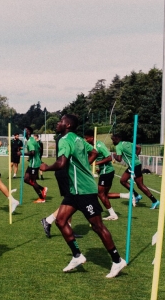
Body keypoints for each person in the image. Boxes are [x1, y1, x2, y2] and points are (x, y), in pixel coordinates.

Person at [39, 114, 127, 278]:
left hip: (84, 190)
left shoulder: (65, 140)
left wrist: (46, 167)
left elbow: (61, 163)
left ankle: (117, 260)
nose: (58, 123)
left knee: (98, 227)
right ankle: (77, 256)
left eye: (60, 121)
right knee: (61, 220)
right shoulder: (78, 139)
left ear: (67, 125)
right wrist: (84, 166)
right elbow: (93, 152)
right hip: (75, 190)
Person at [111, 133, 159, 209]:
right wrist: (135, 156)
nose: (112, 142)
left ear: (116, 139)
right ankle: (136, 195)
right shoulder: (127, 143)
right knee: (123, 180)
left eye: (113, 140)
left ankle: (154, 201)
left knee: (140, 185)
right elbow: (139, 147)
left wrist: (114, 156)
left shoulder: (118, 146)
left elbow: (119, 159)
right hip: (134, 165)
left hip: (134, 166)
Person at [83, 129, 120, 220]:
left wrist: (96, 163)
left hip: (107, 172)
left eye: (87, 138)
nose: (86, 140)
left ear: (92, 137)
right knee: (103, 194)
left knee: (100, 194)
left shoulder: (99, 145)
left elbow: (109, 158)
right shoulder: (92, 146)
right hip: (104, 172)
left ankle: (112, 214)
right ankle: (126, 196)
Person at [23, 126, 47, 203]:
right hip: (32, 163)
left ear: (29, 132)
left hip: (34, 163)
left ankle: (41, 198)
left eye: (25, 130)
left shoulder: (30, 141)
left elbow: (32, 152)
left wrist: (22, 153)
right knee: (26, 179)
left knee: (33, 181)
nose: (23, 132)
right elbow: (39, 148)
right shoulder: (33, 139)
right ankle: (43, 188)